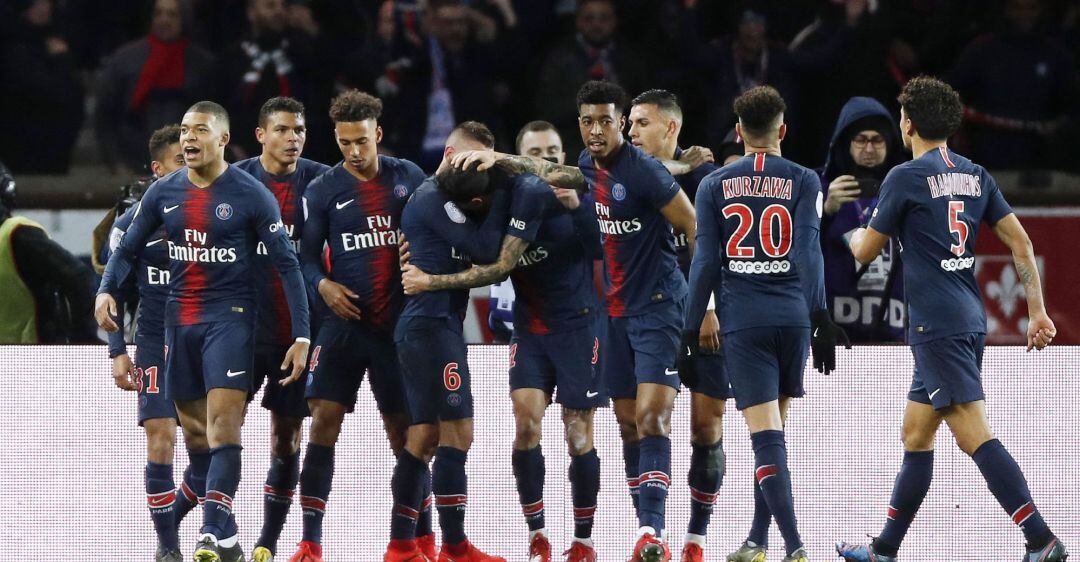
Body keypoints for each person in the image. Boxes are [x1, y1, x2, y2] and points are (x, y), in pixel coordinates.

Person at [454, 80, 699, 562]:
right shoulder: (579, 171)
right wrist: (495, 159)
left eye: (606, 120)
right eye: (587, 120)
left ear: (620, 123)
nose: (595, 129)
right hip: (598, 318)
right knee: (617, 424)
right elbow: (543, 173)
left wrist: (705, 306)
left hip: (640, 310)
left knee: (640, 420)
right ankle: (570, 534)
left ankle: (640, 534)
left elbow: (689, 222)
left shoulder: (627, 178)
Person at [836, 77, 1067, 562]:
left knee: (973, 434)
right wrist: (1037, 310)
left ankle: (1041, 540)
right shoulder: (975, 174)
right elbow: (1021, 243)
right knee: (916, 434)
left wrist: (850, 229)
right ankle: (883, 550)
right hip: (965, 314)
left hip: (935, 325)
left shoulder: (905, 177)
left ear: (908, 123)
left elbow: (864, 251)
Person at [96, 101, 311, 562]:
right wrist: (105, 291)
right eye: (186, 131)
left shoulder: (251, 194)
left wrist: (302, 334)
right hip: (179, 324)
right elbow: (126, 249)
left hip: (230, 319)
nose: (190, 138)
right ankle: (228, 538)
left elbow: (288, 266)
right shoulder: (163, 193)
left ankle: (210, 532)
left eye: (199, 131)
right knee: (196, 439)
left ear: (223, 140)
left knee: (223, 425)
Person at [400, 160, 603, 562]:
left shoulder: (567, 202)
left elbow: (599, 248)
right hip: (530, 329)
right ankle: (538, 535)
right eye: (532, 151)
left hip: (579, 328)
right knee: (526, 422)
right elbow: (476, 256)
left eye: (548, 152)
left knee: (578, 433)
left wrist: (580, 206)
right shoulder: (502, 208)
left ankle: (583, 541)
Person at [680, 85, 847, 562]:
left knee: (764, 438)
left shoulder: (715, 185)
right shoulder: (805, 180)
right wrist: (819, 316)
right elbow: (808, 251)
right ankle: (758, 539)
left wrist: (690, 331)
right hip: (793, 317)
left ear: (738, 131)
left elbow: (706, 262)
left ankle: (795, 548)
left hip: (744, 320)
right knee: (774, 433)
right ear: (782, 130)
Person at [288, 90, 426, 562]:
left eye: (362, 141)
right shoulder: (323, 190)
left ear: (378, 135)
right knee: (323, 421)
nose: (353, 151)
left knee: (403, 432)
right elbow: (303, 257)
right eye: (345, 142)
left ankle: (417, 539)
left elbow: (437, 233)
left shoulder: (408, 177)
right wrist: (323, 285)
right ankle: (310, 541)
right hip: (343, 326)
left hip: (397, 328)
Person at [388, 162, 514, 562]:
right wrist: (506, 205)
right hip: (432, 328)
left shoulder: (433, 199)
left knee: (423, 436)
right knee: (458, 432)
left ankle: (401, 545)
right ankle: (456, 549)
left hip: (427, 327)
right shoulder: (436, 201)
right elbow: (485, 251)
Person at [627, 89, 728, 562]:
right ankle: (653, 533)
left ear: (671, 128)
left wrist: (708, 307)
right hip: (654, 316)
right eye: (630, 123)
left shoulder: (709, 179)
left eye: (642, 123)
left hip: (707, 318)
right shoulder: (627, 175)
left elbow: (721, 250)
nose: (632, 133)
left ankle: (697, 538)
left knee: (706, 429)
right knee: (650, 419)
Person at [234, 96, 330, 562]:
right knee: (219, 429)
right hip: (243, 330)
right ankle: (218, 528)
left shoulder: (322, 182)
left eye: (300, 130)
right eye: (283, 130)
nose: (293, 138)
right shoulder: (238, 182)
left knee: (287, 435)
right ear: (261, 135)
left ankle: (267, 542)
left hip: (300, 332)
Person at [101, 125, 201, 562]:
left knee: (210, 458)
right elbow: (113, 291)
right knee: (160, 439)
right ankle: (169, 547)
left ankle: (171, 517)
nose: (191, 166)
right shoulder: (130, 224)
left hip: (205, 341)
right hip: (154, 342)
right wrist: (117, 350)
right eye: (180, 160)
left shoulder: (213, 215)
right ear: (158, 168)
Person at [819, 96, 906, 343]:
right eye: (860, 140)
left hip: (893, 331)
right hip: (834, 331)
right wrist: (824, 211)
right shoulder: (818, 186)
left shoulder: (905, 189)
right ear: (845, 142)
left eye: (877, 140)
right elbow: (796, 249)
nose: (869, 149)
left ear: (889, 143)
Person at [94, 0, 216, 174]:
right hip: (133, 162)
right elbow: (105, 115)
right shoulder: (125, 60)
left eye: (172, 15)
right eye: (158, 13)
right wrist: (115, 162)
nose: (164, 20)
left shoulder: (202, 65)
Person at [485, 121, 570, 343]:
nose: (545, 160)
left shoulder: (583, 208)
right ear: (519, 161)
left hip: (569, 337)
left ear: (563, 157)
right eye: (535, 153)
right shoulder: (501, 203)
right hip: (509, 337)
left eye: (552, 151)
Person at [533, 0, 651, 156]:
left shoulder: (631, 56)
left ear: (614, 21)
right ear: (578, 20)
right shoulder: (558, 58)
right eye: (589, 18)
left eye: (604, 19)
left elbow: (647, 102)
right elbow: (545, 109)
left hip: (625, 142)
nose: (597, 25)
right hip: (575, 143)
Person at [0, 162, 98, 344]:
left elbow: (78, 278)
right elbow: (78, 277)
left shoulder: (18, 235)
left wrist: (83, 338)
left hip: (32, 362)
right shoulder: (16, 235)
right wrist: (84, 338)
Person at [218, 0, 323, 161]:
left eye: (283, 6)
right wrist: (230, 146)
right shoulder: (232, 58)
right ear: (251, 13)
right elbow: (220, 108)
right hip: (243, 156)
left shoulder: (302, 52)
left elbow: (319, 101)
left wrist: (312, 33)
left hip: (300, 153)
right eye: (270, 5)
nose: (279, 11)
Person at [0, 0, 84, 174]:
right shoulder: (18, 50)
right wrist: (61, 61)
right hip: (29, 146)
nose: (47, 8)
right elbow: (50, 91)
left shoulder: (46, 42)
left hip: (48, 145)